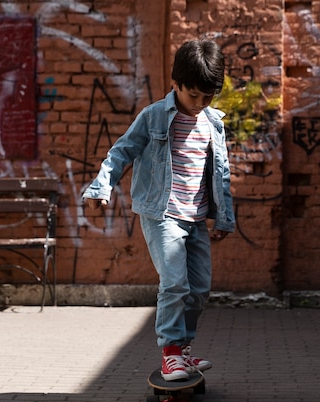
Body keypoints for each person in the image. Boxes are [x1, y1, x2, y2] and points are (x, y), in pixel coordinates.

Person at [82, 38, 235, 381]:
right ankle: (169, 352)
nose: (200, 103)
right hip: (162, 214)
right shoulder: (153, 117)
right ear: (175, 84)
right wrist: (102, 186)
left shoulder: (214, 123)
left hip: (195, 219)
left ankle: (182, 351)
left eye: (208, 96)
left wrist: (224, 217)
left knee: (199, 289)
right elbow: (122, 151)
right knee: (175, 283)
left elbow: (221, 173)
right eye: (193, 95)